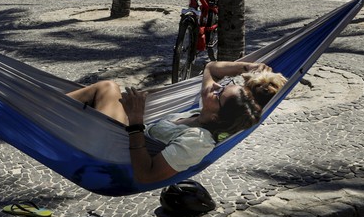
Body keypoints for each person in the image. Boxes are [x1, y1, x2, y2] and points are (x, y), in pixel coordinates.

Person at [66, 61, 287, 184]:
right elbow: (211, 68)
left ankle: (41, 110)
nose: (215, 87)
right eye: (223, 85)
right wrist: (245, 68)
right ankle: (42, 108)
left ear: (217, 116)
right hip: (122, 136)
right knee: (107, 88)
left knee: (107, 88)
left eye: (219, 93)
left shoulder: (198, 141)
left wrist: (135, 122)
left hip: (115, 155)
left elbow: (146, 176)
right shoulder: (203, 111)